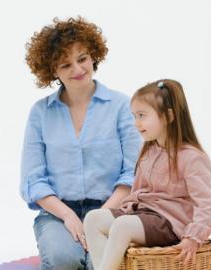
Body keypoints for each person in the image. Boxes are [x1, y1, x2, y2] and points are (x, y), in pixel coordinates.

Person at [20, 17, 142, 270]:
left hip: (113, 210)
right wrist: (67, 215)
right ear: (53, 70)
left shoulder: (121, 105)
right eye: (66, 64)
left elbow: (134, 172)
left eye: (82, 58)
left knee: (101, 264)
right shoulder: (40, 113)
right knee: (63, 260)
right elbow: (34, 179)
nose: (77, 69)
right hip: (58, 214)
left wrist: (100, 218)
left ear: (93, 56)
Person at [83, 79, 211, 270]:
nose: (136, 123)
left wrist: (193, 238)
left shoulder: (192, 158)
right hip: (143, 215)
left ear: (168, 116)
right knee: (93, 218)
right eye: (134, 116)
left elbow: (206, 206)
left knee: (122, 226)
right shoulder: (148, 152)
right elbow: (137, 191)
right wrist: (128, 208)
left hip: (170, 223)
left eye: (142, 116)